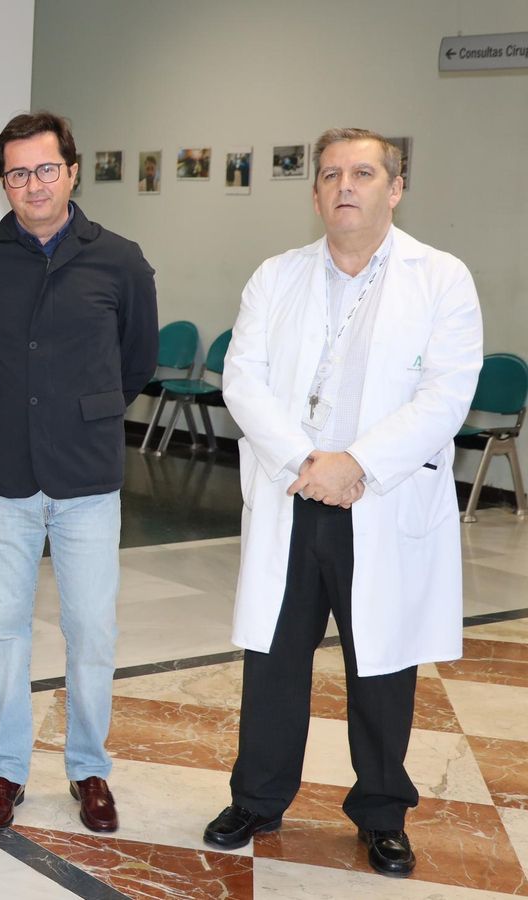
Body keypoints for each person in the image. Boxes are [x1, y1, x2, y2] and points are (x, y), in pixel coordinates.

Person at [202, 128, 482, 878]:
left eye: (364, 172)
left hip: (379, 499)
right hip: (295, 494)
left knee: (383, 667)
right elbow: (243, 379)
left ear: (395, 188)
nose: (345, 186)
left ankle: (382, 813)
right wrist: (306, 462)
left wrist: (356, 463)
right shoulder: (276, 276)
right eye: (331, 174)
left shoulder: (441, 278)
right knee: (273, 659)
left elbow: (447, 392)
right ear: (317, 191)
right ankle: (258, 799)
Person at [0, 111, 158, 834]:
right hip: (1, 474)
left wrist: (80, 413)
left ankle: (89, 769)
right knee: (3, 631)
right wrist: (4, 414)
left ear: (72, 170)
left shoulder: (120, 260)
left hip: (87, 476)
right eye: (17, 173)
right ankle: (6, 770)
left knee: (92, 630)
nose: (32, 184)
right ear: (3, 181)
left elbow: (137, 362)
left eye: (45, 168)